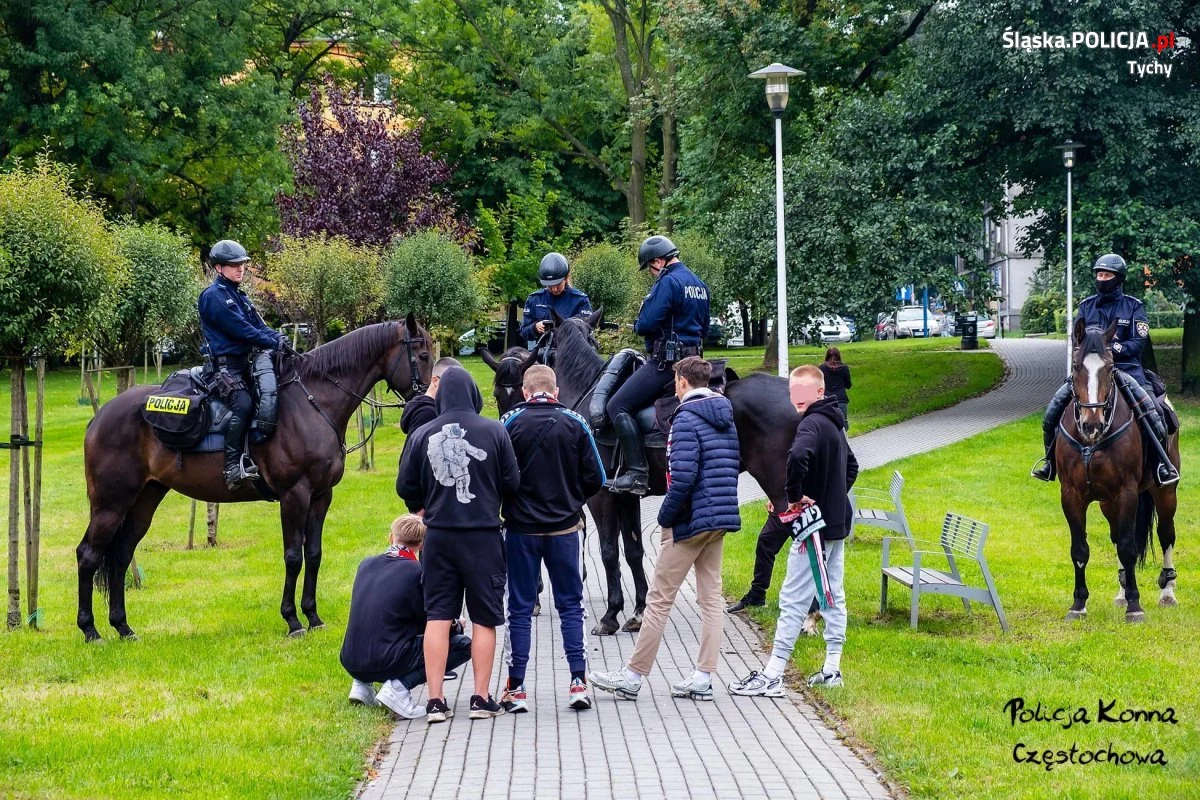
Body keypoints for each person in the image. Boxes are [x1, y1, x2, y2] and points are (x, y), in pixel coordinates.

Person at [590, 356, 740, 701]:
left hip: (689, 520)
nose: (673, 386)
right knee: (710, 598)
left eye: (675, 380)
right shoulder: (725, 414)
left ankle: (632, 676)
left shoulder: (686, 418)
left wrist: (665, 517)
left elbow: (683, 477)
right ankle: (703, 676)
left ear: (683, 382)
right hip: (718, 517)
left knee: (658, 600)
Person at [396, 367, 521, 723]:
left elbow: (405, 486)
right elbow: (512, 482)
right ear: (473, 394)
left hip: (439, 537)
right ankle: (481, 698)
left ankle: (435, 700)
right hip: (483, 536)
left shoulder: (422, 434)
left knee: (437, 616)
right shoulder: (494, 430)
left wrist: (422, 507)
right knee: (484, 619)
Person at [729, 364, 858, 696]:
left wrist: (795, 498)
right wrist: (832, 497)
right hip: (836, 523)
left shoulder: (810, 425)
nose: (795, 398)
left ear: (818, 392)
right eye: (792, 392)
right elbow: (852, 466)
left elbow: (798, 456)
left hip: (813, 528)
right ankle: (832, 668)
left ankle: (773, 674)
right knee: (832, 595)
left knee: (793, 597)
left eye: (802, 392)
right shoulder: (833, 422)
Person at [499, 365, 606, 713]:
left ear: (525, 392)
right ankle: (578, 681)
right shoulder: (576, 422)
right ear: (555, 391)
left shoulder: (509, 422)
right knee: (571, 605)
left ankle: (516, 688)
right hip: (564, 530)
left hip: (520, 530)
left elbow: (497, 476)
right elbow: (597, 477)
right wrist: (571, 498)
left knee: (519, 607)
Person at [1031, 253, 1179, 486]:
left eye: (1106, 275)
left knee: (1156, 411)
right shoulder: (1086, 306)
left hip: (1127, 370)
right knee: (1053, 411)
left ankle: (1161, 465)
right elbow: (1077, 340)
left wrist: (1112, 348)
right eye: (1099, 274)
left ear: (1118, 279)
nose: (1101, 278)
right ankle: (1049, 462)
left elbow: (1137, 343)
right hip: (1090, 373)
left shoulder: (1134, 306)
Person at [605, 236, 711, 495]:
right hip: (695, 360)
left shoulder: (668, 282)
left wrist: (641, 323)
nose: (651, 272)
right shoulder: (699, 284)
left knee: (616, 405)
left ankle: (637, 474)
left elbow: (646, 324)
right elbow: (705, 328)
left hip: (667, 364)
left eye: (650, 267)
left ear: (658, 260)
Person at [339, 514, 473, 719]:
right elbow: (430, 621)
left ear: (391, 537)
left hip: (350, 658)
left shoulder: (365, 564)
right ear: (421, 544)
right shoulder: (417, 572)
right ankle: (398, 688)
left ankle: (361, 685)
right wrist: (457, 625)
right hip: (387, 659)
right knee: (463, 645)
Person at [197, 239, 292, 490]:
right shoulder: (213, 296)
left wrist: (278, 338)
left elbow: (258, 326)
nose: (240, 269)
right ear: (219, 268)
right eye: (234, 265)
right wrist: (271, 341)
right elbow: (242, 330)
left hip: (246, 364)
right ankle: (231, 468)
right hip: (225, 368)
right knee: (243, 405)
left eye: (242, 264)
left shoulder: (238, 295)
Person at [519, 252, 593, 359]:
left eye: (558, 284)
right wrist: (535, 327)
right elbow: (523, 331)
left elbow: (587, 331)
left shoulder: (580, 300)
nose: (554, 289)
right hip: (540, 357)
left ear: (566, 277)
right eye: (550, 286)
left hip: (571, 356)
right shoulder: (534, 299)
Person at [399, 357, 464, 436]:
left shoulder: (423, 407)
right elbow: (417, 446)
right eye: (450, 382)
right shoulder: (427, 413)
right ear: (435, 381)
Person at [818, 347, 852, 431]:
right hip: (841, 399)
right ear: (839, 356)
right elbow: (848, 385)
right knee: (843, 422)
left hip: (827, 399)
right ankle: (843, 441)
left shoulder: (821, 368)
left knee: (827, 423)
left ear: (827, 356)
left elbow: (819, 384)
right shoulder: (844, 368)